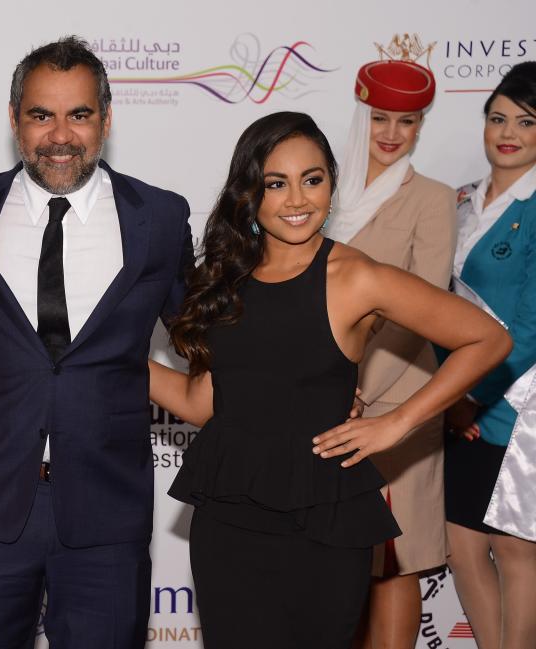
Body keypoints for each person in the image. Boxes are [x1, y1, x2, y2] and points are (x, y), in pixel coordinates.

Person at [149, 111, 511, 649]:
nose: (297, 200)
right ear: (250, 192)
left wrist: (396, 424)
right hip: (229, 523)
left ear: (332, 186)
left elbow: (488, 339)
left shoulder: (355, 277)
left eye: (312, 180)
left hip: (324, 522)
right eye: (277, 183)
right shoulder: (224, 281)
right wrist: (110, 360)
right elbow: (202, 403)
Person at [0, 37, 192, 649]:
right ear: (14, 119)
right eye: (41, 115)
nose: (60, 136)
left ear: (105, 118)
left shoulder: (159, 219)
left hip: (108, 512)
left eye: (79, 115)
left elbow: (208, 343)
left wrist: (311, 378)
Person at [325, 59, 456, 649]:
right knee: (339, 558)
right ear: (361, 113)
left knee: (395, 557)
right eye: (380, 117)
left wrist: (356, 386)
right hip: (323, 403)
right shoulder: (320, 190)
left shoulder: (431, 199)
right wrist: (326, 383)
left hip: (396, 401)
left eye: (408, 121)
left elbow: (420, 310)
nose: (392, 132)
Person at [441, 60, 536, 649]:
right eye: (497, 118)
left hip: (516, 401)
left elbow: (529, 326)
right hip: (459, 397)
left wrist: (470, 396)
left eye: (526, 123)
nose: (508, 132)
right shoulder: (461, 201)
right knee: (462, 540)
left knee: (515, 548)